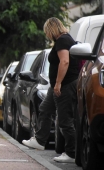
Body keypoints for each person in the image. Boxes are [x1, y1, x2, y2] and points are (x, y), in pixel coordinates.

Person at [22, 17, 79, 163]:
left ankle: (72, 153)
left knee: (65, 120)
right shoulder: (64, 40)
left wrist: (58, 83)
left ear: (51, 29)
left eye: (47, 32)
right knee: (45, 108)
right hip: (57, 86)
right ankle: (40, 141)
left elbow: (64, 61)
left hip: (65, 85)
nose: (47, 35)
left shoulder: (62, 41)